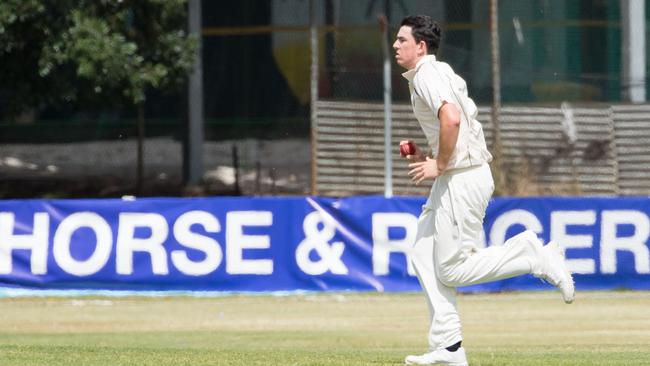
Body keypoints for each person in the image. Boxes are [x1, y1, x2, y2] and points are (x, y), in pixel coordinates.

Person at [393, 15, 575, 366]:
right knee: (421, 253)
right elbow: (456, 128)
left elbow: (452, 119)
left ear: (421, 46)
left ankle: (531, 255)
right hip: (458, 175)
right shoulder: (434, 73)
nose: (396, 45)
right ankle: (448, 347)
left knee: (452, 270)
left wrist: (440, 165)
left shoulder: (428, 74)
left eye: (402, 40)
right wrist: (428, 155)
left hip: (463, 178)